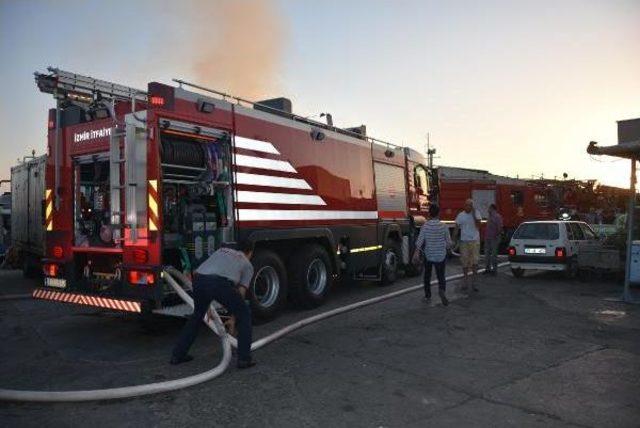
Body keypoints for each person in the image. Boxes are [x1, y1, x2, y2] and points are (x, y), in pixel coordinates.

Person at [171, 240, 256, 369]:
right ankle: (244, 359)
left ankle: (178, 355)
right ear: (250, 253)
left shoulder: (221, 251)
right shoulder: (247, 264)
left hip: (199, 280)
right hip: (219, 283)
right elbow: (241, 292)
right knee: (244, 315)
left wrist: (207, 304)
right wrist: (234, 317)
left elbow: (202, 273)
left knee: (197, 316)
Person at [413, 204, 452, 306]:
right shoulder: (444, 226)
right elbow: (448, 243)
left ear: (429, 213)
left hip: (429, 255)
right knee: (441, 276)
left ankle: (427, 295)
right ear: (439, 213)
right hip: (440, 255)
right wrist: (448, 249)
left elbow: (419, 241)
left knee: (427, 276)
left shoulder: (425, 226)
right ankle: (442, 290)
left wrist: (416, 253)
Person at [455, 199, 481, 292]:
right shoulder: (460, 215)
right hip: (464, 241)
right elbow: (456, 228)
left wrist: (474, 214)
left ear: (472, 206)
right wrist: (454, 240)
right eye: (466, 205)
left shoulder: (476, 213)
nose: (467, 207)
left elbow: (478, 225)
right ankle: (465, 281)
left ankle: (474, 283)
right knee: (464, 262)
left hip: (474, 241)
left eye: (469, 205)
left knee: (475, 262)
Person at [483, 204, 503, 275]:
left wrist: (496, 235)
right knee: (487, 253)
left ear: (492, 209)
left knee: (494, 254)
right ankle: (487, 268)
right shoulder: (489, 217)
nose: (488, 210)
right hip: (488, 237)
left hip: (494, 238)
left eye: (489, 208)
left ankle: (494, 270)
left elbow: (500, 228)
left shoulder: (497, 217)